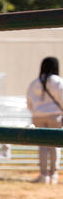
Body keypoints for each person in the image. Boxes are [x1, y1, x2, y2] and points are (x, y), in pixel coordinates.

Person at [26, 56, 63, 184]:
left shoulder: (34, 82)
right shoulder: (58, 81)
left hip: (38, 116)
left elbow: (29, 102)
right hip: (55, 116)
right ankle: (53, 175)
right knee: (54, 145)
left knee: (42, 146)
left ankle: (43, 175)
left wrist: (36, 111)